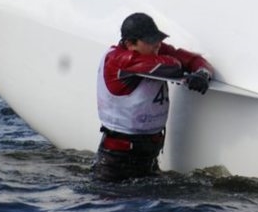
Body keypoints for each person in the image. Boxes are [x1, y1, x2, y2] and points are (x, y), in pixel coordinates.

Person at [92, 12, 214, 181]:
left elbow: (195, 60)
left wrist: (202, 73)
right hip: (117, 162)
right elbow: (172, 66)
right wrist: (183, 65)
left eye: (157, 38)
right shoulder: (118, 60)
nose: (157, 44)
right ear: (130, 44)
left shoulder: (153, 51)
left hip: (148, 156)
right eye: (150, 41)